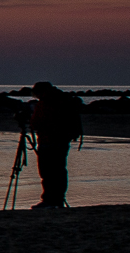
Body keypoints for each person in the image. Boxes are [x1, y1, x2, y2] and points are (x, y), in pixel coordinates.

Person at [23, 81, 85, 209]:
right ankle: (57, 199)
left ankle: (51, 200)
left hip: (50, 141)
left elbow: (39, 123)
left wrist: (32, 121)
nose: (36, 97)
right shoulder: (61, 100)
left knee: (48, 172)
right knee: (58, 171)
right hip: (61, 141)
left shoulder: (48, 103)